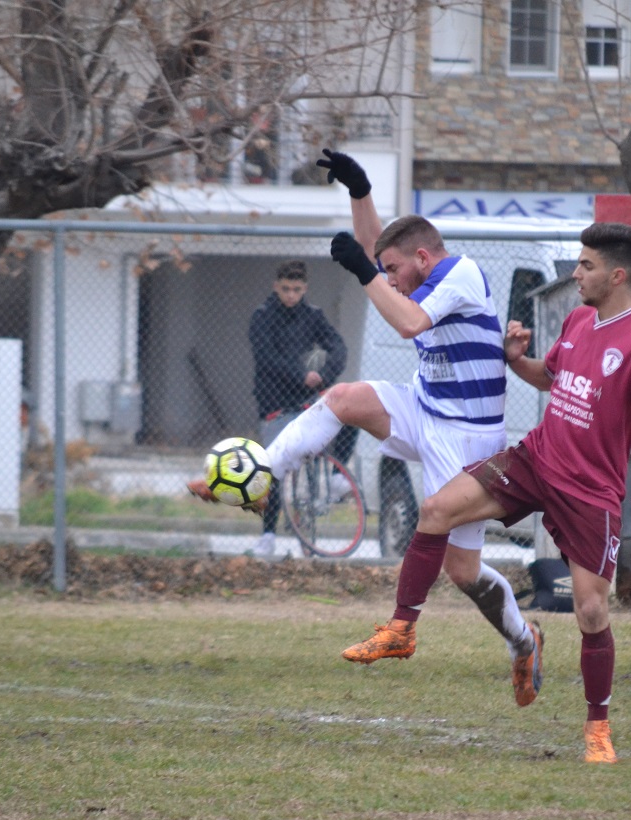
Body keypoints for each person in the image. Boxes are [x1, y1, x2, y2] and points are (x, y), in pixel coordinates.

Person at [189, 148, 545, 707]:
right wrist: (360, 192)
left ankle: (523, 641)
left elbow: (407, 323)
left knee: (465, 573)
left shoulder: (461, 274)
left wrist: (360, 268)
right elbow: (387, 256)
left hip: (469, 438)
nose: (391, 280)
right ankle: (260, 476)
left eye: (398, 271)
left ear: (424, 258)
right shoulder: (418, 270)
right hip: (424, 408)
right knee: (343, 397)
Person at [373, 223, 631, 763]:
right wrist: (514, 360)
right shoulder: (579, 319)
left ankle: (597, 728)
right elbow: (552, 379)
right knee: (437, 509)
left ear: (617, 275)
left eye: (586, 266)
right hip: (537, 460)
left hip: (590, 491)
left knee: (591, 612)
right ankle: (400, 629)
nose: (575, 274)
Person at [247, 259, 354, 558]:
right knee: (274, 471)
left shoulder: (312, 315)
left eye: (296, 289)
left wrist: (326, 375)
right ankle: (268, 534)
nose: (291, 295)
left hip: (307, 399)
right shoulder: (263, 316)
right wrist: (301, 375)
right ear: (276, 287)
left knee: (351, 416)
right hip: (274, 403)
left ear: (305, 288)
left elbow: (338, 347)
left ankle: (335, 478)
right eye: (285, 289)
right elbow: (266, 357)